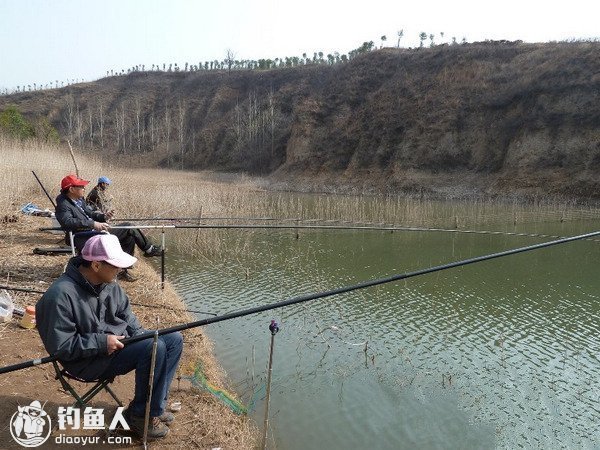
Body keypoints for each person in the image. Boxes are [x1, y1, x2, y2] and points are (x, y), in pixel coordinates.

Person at [36, 233, 183, 439]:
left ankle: (153, 408)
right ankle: (140, 418)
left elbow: (129, 319)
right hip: (85, 360)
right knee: (153, 347)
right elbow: (62, 346)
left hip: (114, 347)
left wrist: (140, 334)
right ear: (96, 265)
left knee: (173, 339)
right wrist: (102, 342)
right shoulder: (60, 295)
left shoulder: (110, 284)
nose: (121, 269)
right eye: (115, 265)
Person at [55, 174, 162, 281]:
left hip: (94, 232)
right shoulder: (63, 204)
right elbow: (67, 222)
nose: (84, 188)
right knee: (128, 227)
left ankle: (122, 269)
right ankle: (149, 249)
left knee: (128, 236)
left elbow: (90, 213)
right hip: (83, 237)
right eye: (81, 187)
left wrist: (104, 216)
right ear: (72, 189)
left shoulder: (79, 200)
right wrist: (93, 224)